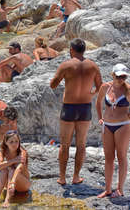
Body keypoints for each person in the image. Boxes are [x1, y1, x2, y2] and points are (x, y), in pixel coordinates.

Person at [50, 38, 102, 185]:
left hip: (69, 108)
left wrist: (62, 77)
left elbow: (53, 85)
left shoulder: (66, 65)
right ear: (84, 50)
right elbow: (100, 87)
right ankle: (76, 177)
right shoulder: (93, 66)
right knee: (81, 145)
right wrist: (90, 94)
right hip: (85, 107)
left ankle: (62, 177)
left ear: (72, 50)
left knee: (64, 145)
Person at [96, 64, 130, 198]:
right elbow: (98, 102)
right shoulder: (105, 87)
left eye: (123, 76)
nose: (120, 78)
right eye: (118, 75)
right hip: (107, 125)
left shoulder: (129, 90)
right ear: (112, 74)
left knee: (121, 157)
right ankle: (108, 189)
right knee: (108, 158)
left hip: (123, 126)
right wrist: (100, 118)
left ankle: (120, 189)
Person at [0, 130, 31, 207]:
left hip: (23, 184)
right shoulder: (3, 151)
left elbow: (19, 169)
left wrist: (12, 183)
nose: (14, 144)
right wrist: (13, 161)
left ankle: (7, 200)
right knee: (4, 170)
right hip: (11, 184)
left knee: (11, 170)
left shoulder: (22, 153)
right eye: (11, 142)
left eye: (16, 141)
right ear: (6, 142)